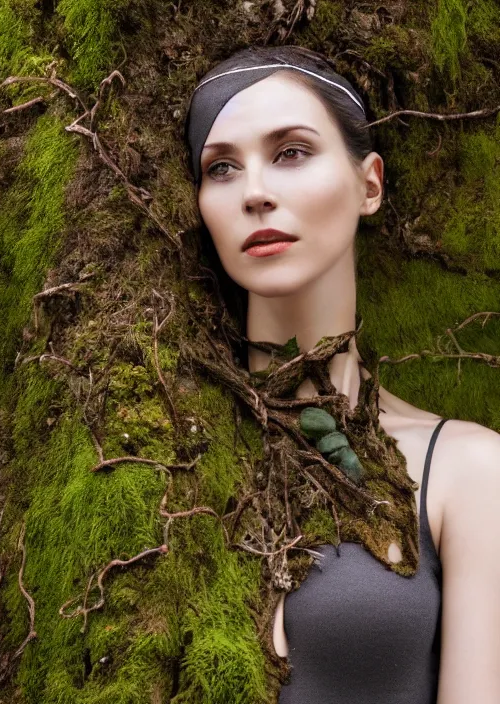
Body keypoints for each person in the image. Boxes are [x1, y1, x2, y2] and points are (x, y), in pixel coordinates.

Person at [184, 45, 500, 703]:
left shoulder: (466, 471)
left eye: (291, 152)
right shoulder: (159, 454)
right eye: (221, 168)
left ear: (369, 184)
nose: (256, 192)